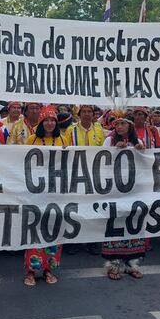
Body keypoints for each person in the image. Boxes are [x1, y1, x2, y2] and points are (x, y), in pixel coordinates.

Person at [101, 110, 146, 280]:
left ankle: (132, 264)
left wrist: (141, 151)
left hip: (134, 190)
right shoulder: (109, 140)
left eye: (123, 123)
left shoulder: (138, 142)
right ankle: (114, 265)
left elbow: (145, 165)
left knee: (133, 223)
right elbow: (102, 161)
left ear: (130, 125)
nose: (119, 127)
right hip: (114, 190)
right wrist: (114, 150)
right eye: (117, 123)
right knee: (115, 224)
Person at [23, 105, 65, 286]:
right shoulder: (32, 140)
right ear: (41, 122)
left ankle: (49, 269)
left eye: (52, 121)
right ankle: (31, 271)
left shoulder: (63, 139)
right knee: (33, 231)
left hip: (55, 193)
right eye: (46, 120)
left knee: (53, 232)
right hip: (35, 193)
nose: (49, 123)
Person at [65, 104, 105, 256]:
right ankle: (73, 241)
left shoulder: (99, 130)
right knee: (74, 209)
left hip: (94, 175)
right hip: (75, 174)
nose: (87, 114)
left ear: (93, 114)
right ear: (79, 114)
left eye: (90, 112)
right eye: (84, 112)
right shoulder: (71, 130)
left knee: (93, 208)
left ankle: (92, 241)